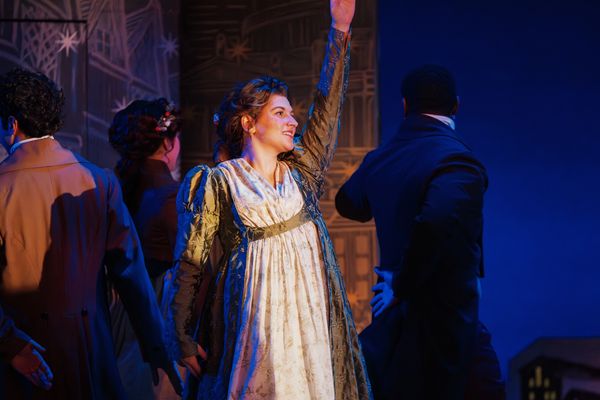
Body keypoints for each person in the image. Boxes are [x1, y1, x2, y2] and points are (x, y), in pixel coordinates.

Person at [166, 0, 372, 399]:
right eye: (280, 113)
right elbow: (190, 262)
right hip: (254, 332)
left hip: (308, 329)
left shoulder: (301, 172)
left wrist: (340, 30)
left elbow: (327, 110)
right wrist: (180, 335)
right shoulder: (218, 182)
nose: (292, 121)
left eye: (291, 114)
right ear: (249, 123)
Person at [0, 68, 182, 398]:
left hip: (25, 356)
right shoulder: (99, 180)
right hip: (90, 351)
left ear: (11, 124)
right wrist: (156, 347)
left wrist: (9, 343)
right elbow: (131, 272)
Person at [336, 65, 503, 399]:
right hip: (445, 318)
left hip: (394, 319)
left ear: (404, 105)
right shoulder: (456, 160)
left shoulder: (380, 159)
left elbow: (348, 204)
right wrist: (402, 282)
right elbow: (437, 223)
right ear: (456, 105)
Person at [108, 99, 183, 399]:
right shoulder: (172, 196)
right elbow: (190, 263)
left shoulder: (122, 190)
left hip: (126, 305)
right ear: (167, 143)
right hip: (161, 307)